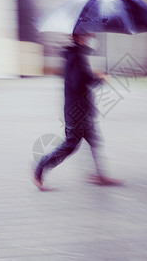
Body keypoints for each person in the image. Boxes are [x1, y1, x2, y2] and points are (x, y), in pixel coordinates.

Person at [34, 33, 122, 191]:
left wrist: (93, 74)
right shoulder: (75, 56)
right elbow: (78, 84)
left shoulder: (76, 54)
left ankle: (100, 175)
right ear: (78, 37)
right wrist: (100, 79)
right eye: (87, 35)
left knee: (94, 141)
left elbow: (79, 77)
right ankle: (40, 169)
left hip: (83, 110)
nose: (90, 37)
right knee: (70, 145)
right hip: (76, 112)